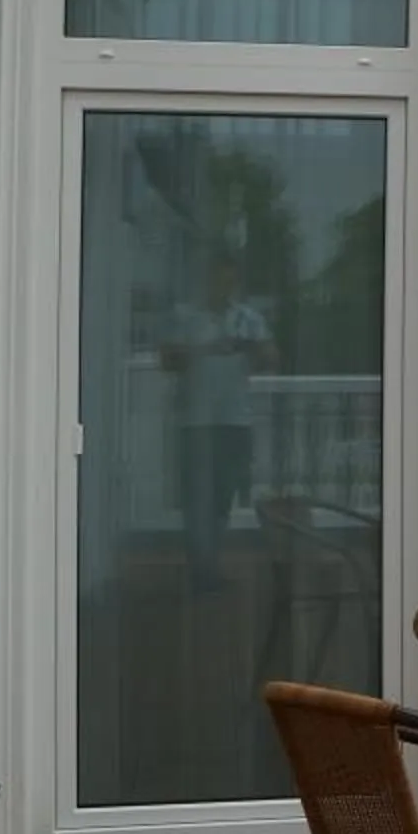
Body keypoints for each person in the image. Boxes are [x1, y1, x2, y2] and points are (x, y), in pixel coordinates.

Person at [163, 252, 275, 593]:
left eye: (229, 280)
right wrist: (205, 349)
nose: (222, 286)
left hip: (234, 421)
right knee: (195, 500)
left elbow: (271, 358)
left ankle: (208, 567)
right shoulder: (185, 316)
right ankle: (200, 570)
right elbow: (167, 360)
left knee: (222, 499)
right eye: (217, 278)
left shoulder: (248, 319)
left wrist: (247, 346)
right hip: (195, 423)